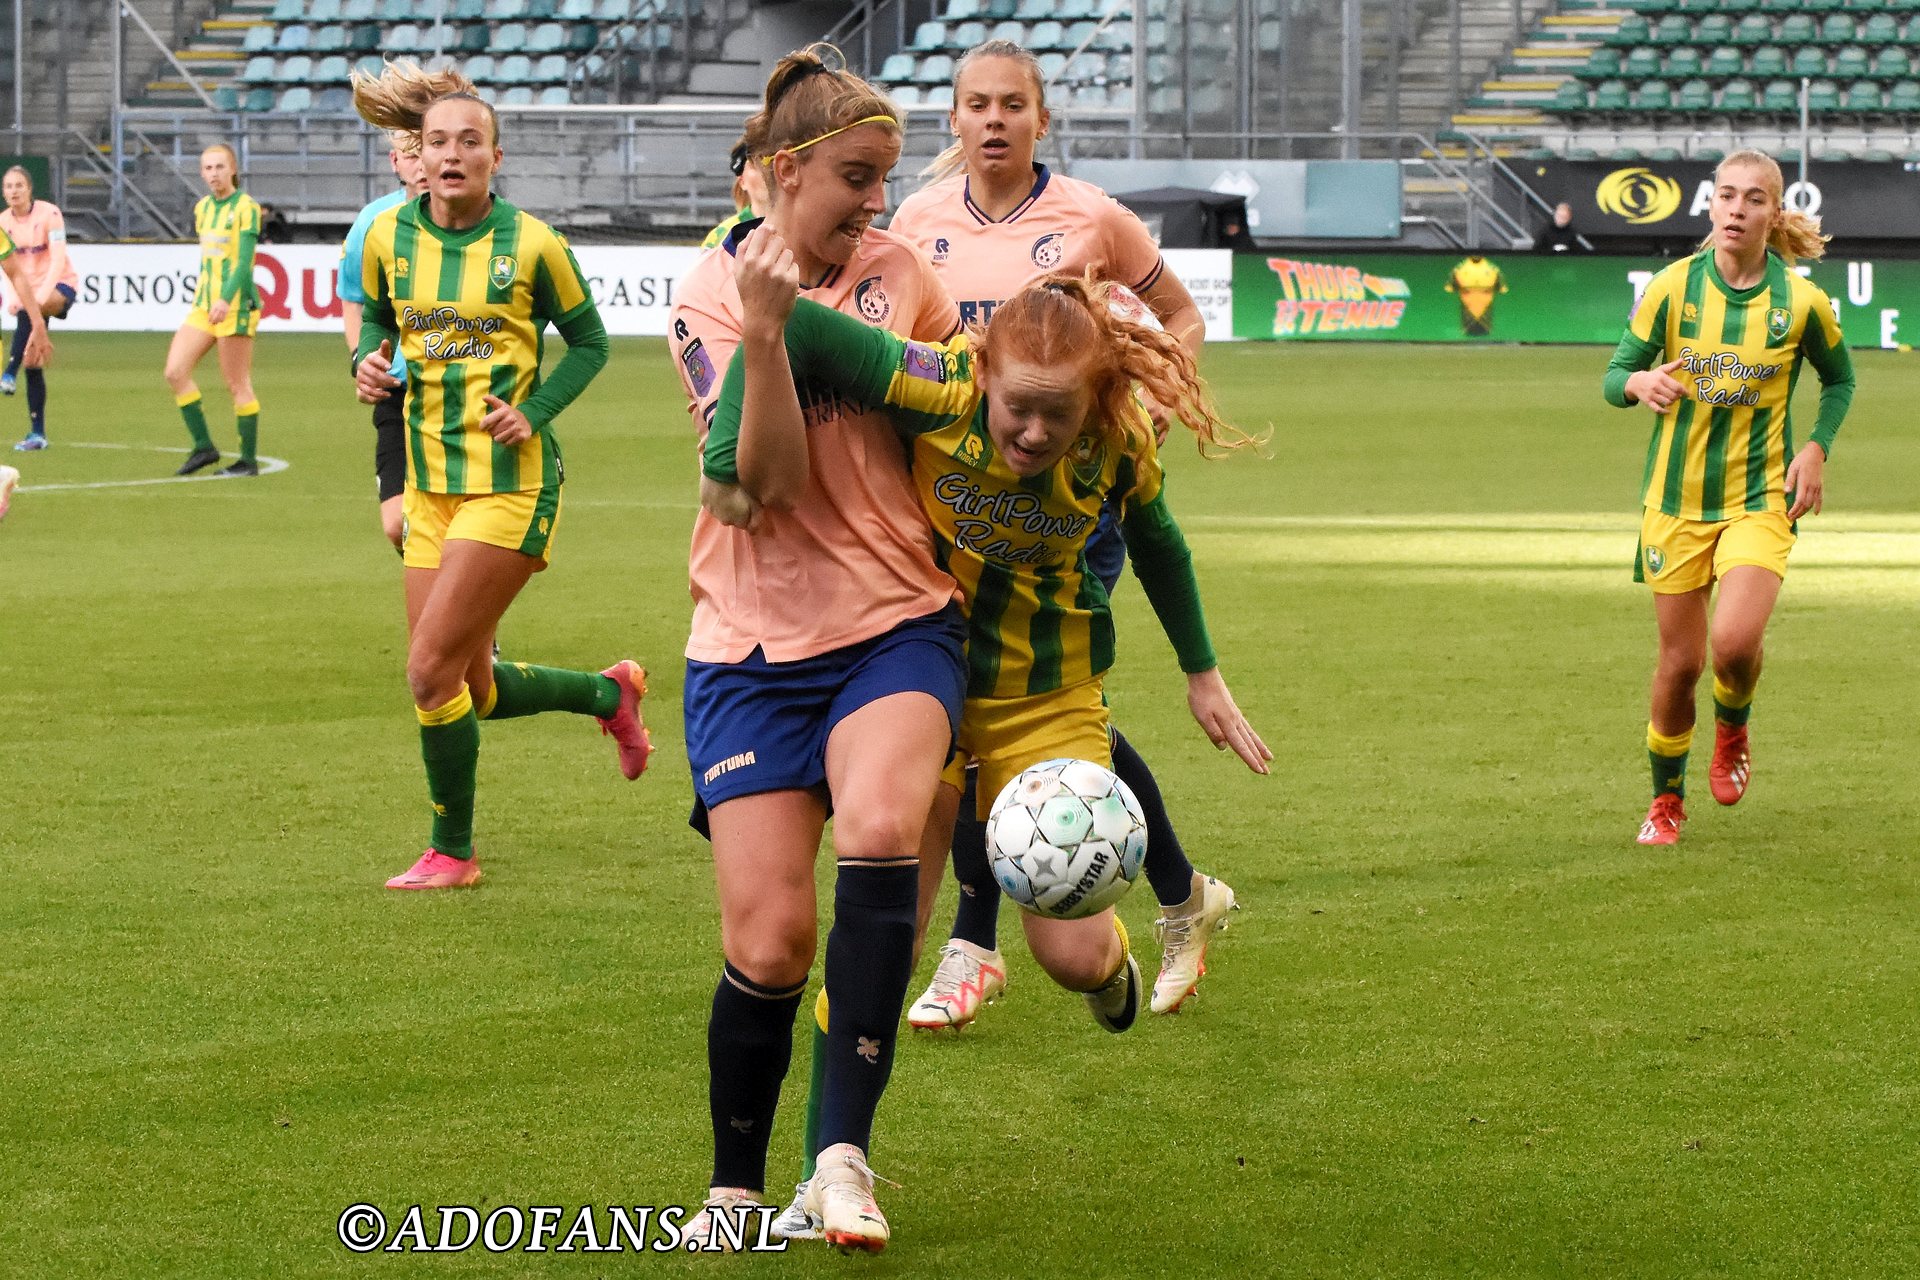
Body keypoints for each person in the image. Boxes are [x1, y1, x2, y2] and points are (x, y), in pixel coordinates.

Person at [716, 262, 1272, 1240]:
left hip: (1048, 703)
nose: (1028, 434)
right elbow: (790, 325)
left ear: (1096, 399)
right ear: (986, 375)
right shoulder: (939, 381)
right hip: (914, 676)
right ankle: (835, 1164)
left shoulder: (1119, 437)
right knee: (888, 916)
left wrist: (1204, 671)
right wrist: (733, 433)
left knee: (1067, 951)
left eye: (1055, 416)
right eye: (1017, 409)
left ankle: (1109, 971)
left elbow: (1161, 547)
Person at [665, 45, 965, 1254]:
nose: (879, 205)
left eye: (888, 179)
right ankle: (737, 1188)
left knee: (886, 829)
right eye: (858, 177)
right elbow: (767, 487)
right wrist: (773, 335)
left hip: (897, 619)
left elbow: (958, 407)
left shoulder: (899, 273)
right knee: (769, 939)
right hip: (746, 646)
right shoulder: (701, 297)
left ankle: (841, 1158)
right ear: (786, 171)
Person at [886, 38, 1238, 1030]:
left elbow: (1177, 313)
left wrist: (1155, 396)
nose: (994, 120)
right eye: (976, 104)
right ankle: (1174, 890)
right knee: (991, 707)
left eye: (1013, 104)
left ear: (1042, 119)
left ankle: (971, 945)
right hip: (954, 491)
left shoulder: (1092, 218)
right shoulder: (915, 224)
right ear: (953, 120)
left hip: (1060, 498)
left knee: (1029, 682)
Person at [348, 61, 652, 890]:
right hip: (429, 487)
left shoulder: (531, 244)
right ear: (420, 153)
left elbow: (592, 343)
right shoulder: (386, 239)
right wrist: (367, 364)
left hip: (511, 485)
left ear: (495, 155)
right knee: (469, 689)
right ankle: (608, 694)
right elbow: (379, 322)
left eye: (469, 142)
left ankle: (454, 850)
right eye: (437, 142)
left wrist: (536, 410)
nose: (452, 155)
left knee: (425, 673)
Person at [1602, 149, 1854, 846]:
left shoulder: (1799, 303)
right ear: (1710, 206)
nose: (1736, 209)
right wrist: (1638, 384)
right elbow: (1614, 372)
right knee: (1680, 665)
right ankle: (1666, 802)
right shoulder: (1672, 289)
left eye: (1752, 199)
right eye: (1725, 196)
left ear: (1775, 214)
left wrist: (1816, 447)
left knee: (1734, 643)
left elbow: (1840, 381)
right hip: (1674, 503)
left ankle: (1734, 727)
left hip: (1757, 500)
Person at [340, 122, 430, 550]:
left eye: (425, 150)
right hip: (398, 389)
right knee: (397, 525)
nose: (421, 165)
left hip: (462, 389)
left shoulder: (480, 220)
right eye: (409, 155)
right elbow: (355, 300)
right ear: (396, 163)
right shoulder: (373, 222)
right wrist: (362, 361)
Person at [165, 143, 264, 477]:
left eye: (220, 167)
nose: (214, 174)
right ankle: (204, 447)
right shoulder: (203, 208)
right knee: (175, 371)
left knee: (237, 383)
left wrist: (226, 298)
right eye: (208, 168)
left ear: (233, 169)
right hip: (205, 305)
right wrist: (211, 298)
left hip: (235, 306)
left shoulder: (247, 208)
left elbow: (244, 260)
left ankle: (247, 461)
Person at [0, 167, 75, 450]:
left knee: (31, 314)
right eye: (8, 186)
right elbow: (8, 270)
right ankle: (37, 434)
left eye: (19, 185)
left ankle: (8, 371)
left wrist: (36, 301)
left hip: (59, 286)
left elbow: (57, 260)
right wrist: (15, 298)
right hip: (27, 296)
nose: (14, 191)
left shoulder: (50, 214)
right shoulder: (2, 223)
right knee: (33, 362)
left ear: (30, 189)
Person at [699, 127, 770, 252]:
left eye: (770, 161)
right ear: (742, 181)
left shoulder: (805, 230)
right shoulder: (722, 237)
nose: (766, 172)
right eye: (755, 164)